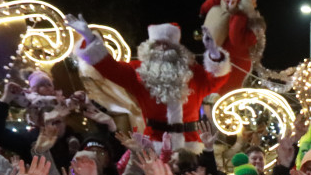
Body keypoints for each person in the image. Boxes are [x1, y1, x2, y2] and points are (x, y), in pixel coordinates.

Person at [68, 18, 231, 154]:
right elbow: (110, 68)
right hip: (154, 144)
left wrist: (215, 55)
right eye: (158, 45)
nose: (162, 50)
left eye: (168, 45)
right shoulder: (139, 72)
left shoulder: (193, 72)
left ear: (177, 48)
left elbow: (217, 79)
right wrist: (89, 39)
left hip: (190, 146)